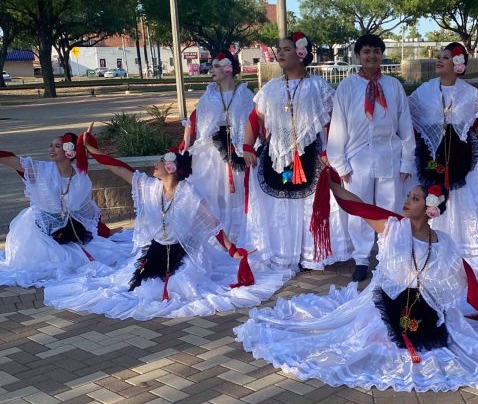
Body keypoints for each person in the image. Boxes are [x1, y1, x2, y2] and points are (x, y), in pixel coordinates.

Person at [234, 167, 478, 392]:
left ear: (430, 208)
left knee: (439, 339)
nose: (406, 202)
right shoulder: (392, 227)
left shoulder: (445, 243)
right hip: (382, 303)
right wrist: (329, 180)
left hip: (424, 307)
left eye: (414, 198)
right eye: (407, 196)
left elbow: (463, 281)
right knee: (366, 341)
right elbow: (354, 204)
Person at [44, 126, 291, 320]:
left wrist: (232, 249)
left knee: (180, 286)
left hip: (182, 251)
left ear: (171, 168)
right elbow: (120, 169)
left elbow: (213, 226)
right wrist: (93, 151)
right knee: (142, 285)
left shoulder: (188, 194)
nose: (156, 164)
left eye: (161, 161)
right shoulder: (149, 187)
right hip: (156, 248)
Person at [242, 31, 351, 272]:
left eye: (286, 49)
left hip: (310, 153)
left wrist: (331, 153)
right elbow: (255, 117)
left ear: (302, 54)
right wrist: (248, 146)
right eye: (279, 49)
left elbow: (332, 122)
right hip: (276, 155)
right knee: (280, 206)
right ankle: (283, 253)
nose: (280, 53)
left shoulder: (318, 87)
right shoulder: (270, 88)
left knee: (306, 205)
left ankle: (311, 255)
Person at [407, 42, 478, 269]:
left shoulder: (470, 93)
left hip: (461, 154)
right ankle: (430, 243)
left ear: (458, 65)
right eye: (440, 56)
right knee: (432, 194)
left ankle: (463, 246)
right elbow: (406, 114)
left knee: (463, 200)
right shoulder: (425, 90)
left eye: (446, 57)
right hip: (431, 154)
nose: (440, 60)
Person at [326, 34, 417, 281]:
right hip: (357, 158)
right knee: (360, 210)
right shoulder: (347, 87)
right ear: (358, 56)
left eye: (376, 51)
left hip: (389, 155)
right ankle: (362, 259)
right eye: (366, 51)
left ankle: (389, 256)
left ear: (382, 54)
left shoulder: (393, 86)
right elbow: (338, 127)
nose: (371, 56)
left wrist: (407, 159)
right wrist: (340, 162)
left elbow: (405, 124)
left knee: (390, 207)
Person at [0, 133, 131, 287]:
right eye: (51, 145)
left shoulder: (80, 175)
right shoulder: (39, 169)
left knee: (91, 257)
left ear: (69, 150)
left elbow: (85, 210)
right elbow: (9, 159)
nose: (52, 149)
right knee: (49, 263)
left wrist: (105, 231)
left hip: (69, 229)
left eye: (57, 146)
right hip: (39, 229)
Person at [181, 50, 253, 244]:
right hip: (211, 154)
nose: (211, 70)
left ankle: (237, 236)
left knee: (235, 194)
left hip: (236, 152)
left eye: (215, 66)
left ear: (228, 69)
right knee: (212, 196)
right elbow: (201, 124)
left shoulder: (245, 95)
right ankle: (216, 238)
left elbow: (251, 123)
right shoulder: (209, 95)